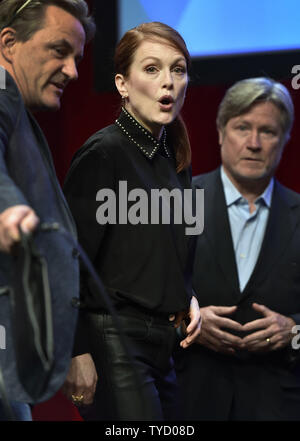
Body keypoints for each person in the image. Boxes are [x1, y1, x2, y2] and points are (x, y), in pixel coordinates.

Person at [63, 22, 201, 421]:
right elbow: (69, 259)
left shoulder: (176, 159)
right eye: (153, 69)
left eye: (178, 70)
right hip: (115, 342)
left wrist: (187, 297)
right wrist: (76, 351)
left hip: (166, 347)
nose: (169, 83)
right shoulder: (103, 153)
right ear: (123, 84)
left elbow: (170, 253)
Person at [175, 77, 300, 421]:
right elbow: (135, 302)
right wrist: (187, 321)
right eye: (242, 127)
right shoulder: (179, 204)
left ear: (285, 139)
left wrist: (294, 331)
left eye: (268, 132)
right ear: (220, 132)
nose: (254, 143)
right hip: (191, 403)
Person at [0, 0, 95, 420]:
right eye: (59, 50)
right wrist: (9, 209)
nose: (73, 70)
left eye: (76, 57)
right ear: (9, 42)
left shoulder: (19, 112)